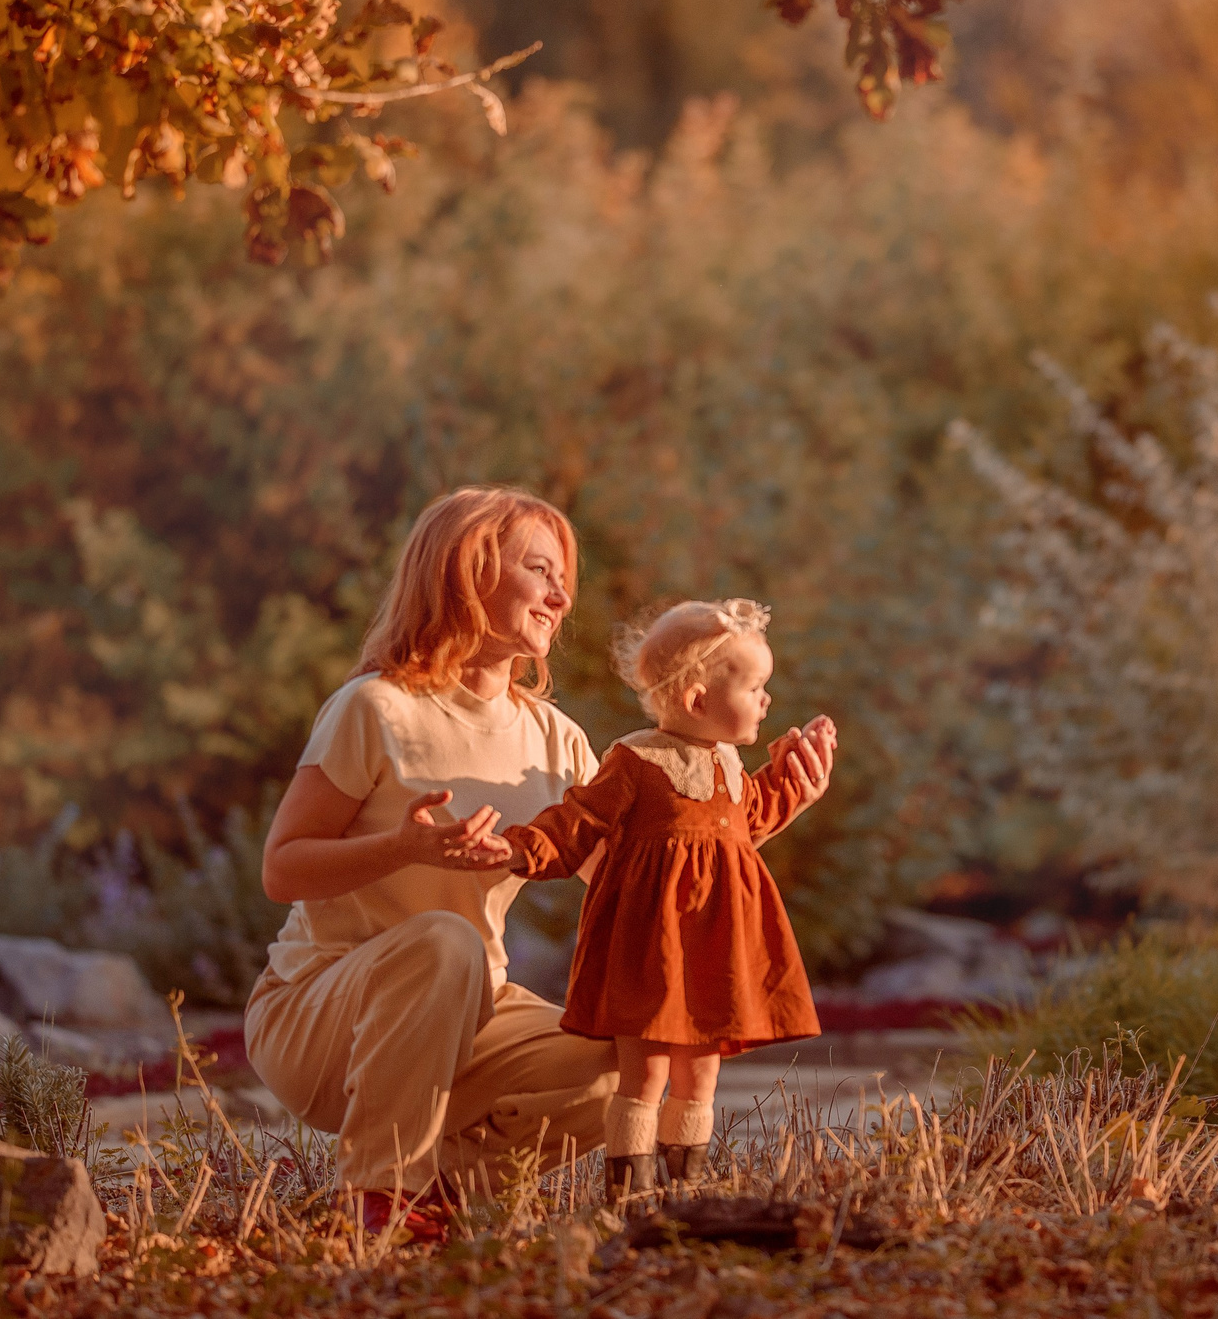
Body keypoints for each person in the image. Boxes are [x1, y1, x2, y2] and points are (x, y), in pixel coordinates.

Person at [243, 488, 830, 1239]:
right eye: (539, 569)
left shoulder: (554, 738)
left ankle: (442, 1189)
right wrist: (402, 846)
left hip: (470, 1017)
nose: (560, 595)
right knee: (443, 941)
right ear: (466, 571)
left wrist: (771, 812)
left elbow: (648, 875)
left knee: (621, 1063)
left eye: (565, 579)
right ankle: (380, 1195)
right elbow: (282, 869)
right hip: (317, 1014)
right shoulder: (376, 708)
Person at [493, 597, 835, 1203]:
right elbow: (575, 824)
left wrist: (794, 780)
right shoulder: (635, 760)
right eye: (755, 686)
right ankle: (629, 1192)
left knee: (701, 1072)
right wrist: (513, 850)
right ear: (698, 699)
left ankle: (684, 1193)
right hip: (650, 950)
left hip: (713, 950)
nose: (766, 700)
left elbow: (748, 820)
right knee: (645, 1073)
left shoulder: (730, 765)